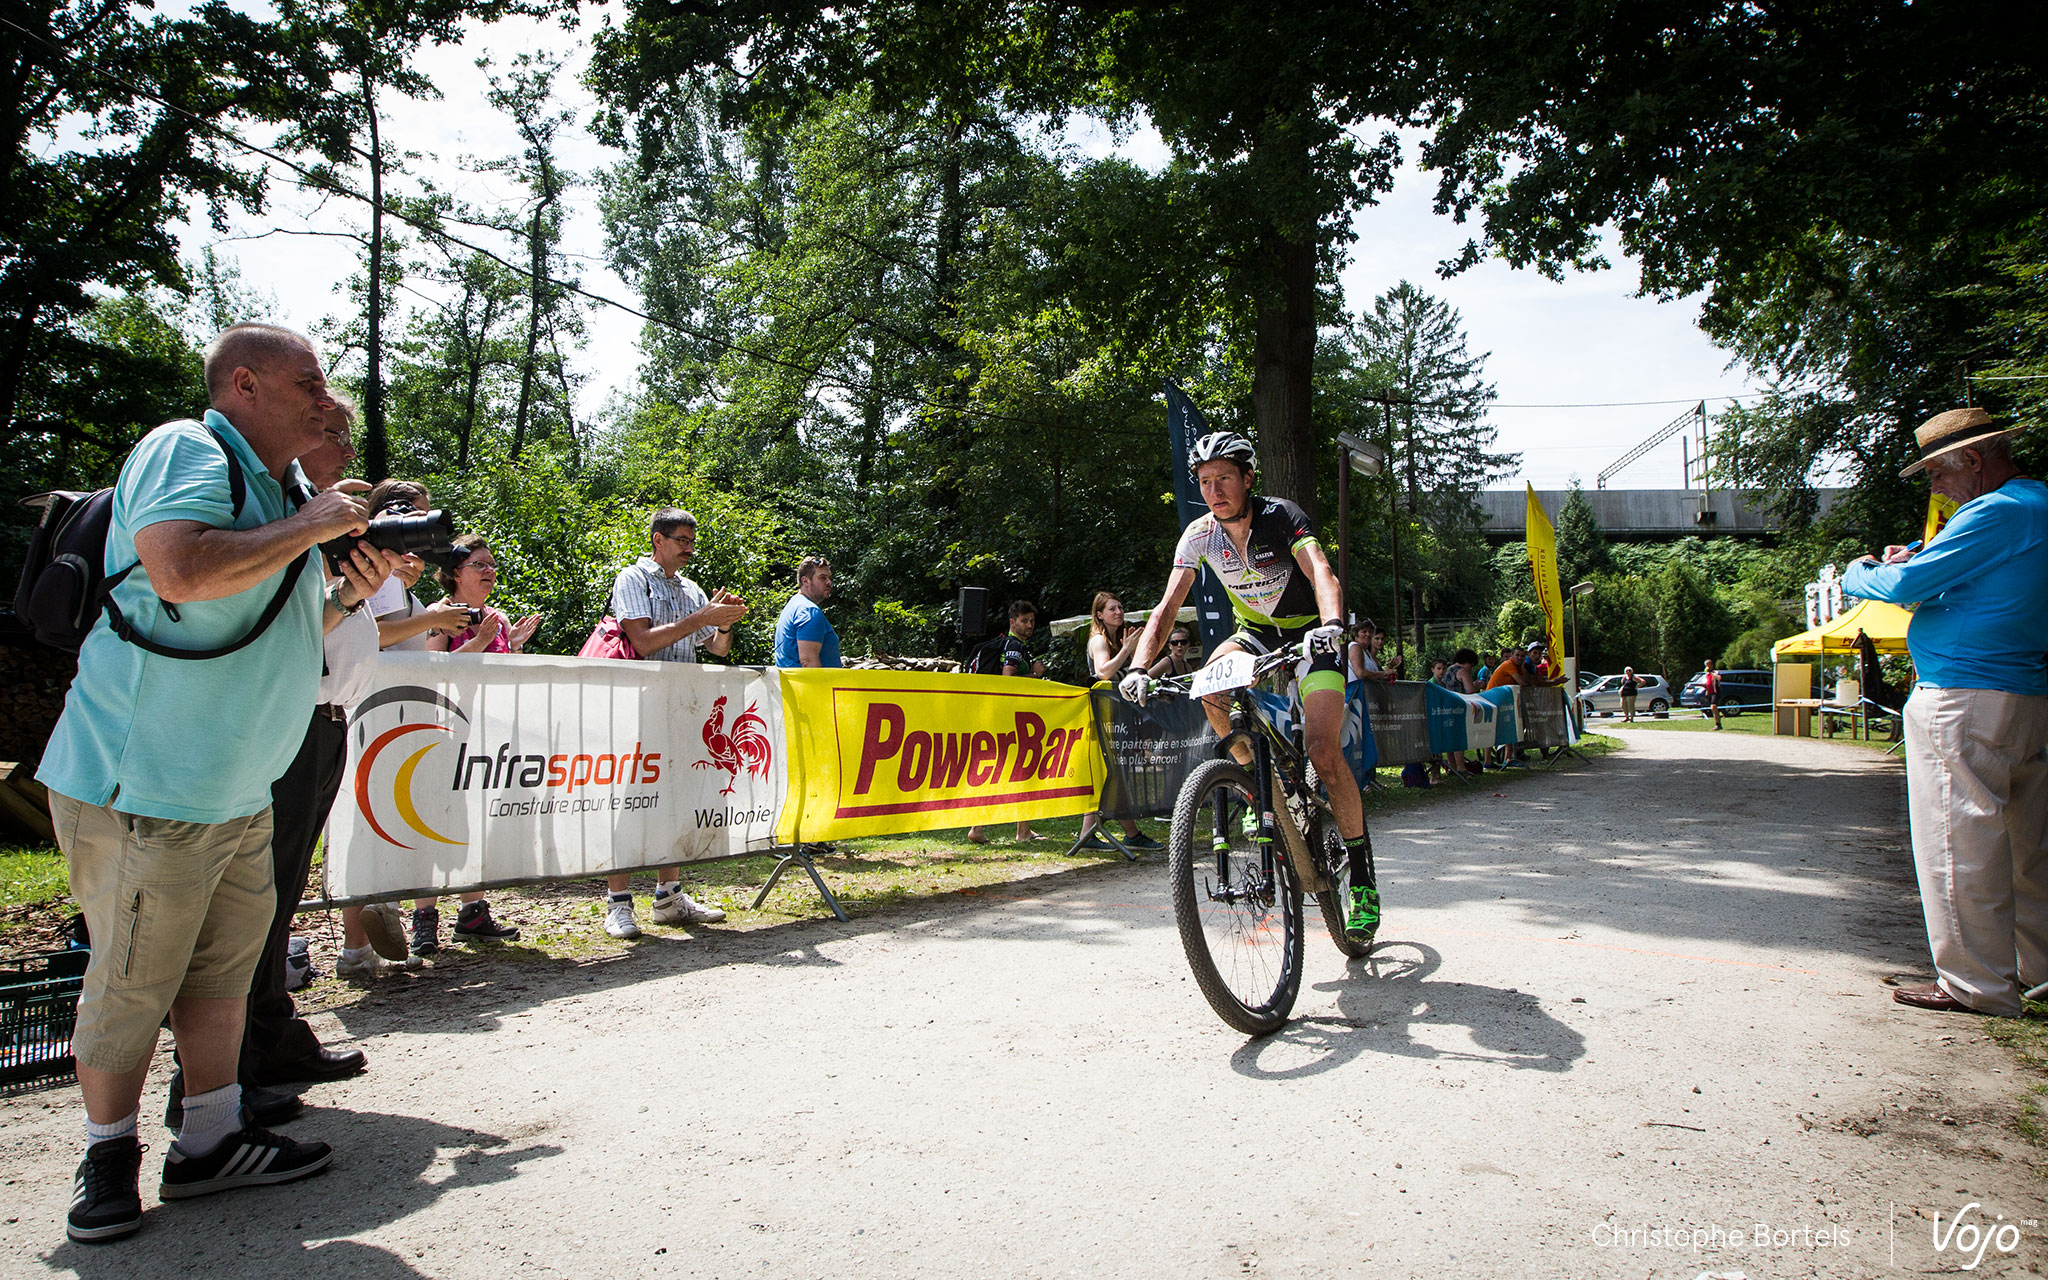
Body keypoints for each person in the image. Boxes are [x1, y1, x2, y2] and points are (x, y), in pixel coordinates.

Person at [37, 322, 396, 1242]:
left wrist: (350, 590)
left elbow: (283, 618)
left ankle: (209, 1141)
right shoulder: (185, 448)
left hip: (236, 789)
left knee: (222, 980)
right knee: (129, 983)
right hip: (149, 787)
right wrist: (316, 524)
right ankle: (108, 1155)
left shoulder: (278, 487)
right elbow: (181, 571)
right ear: (244, 383)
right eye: (308, 382)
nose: (326, 399)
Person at [1117, 430, 1381, 943]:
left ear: (1247, 480)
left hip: (1311, 633)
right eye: (1205, 481)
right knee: (1210, 690)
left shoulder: (1281, 516)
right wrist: (1139, 669)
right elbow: (1167, 607)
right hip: (1255, 634)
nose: (1214, 490)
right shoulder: (1198, 534)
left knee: (1325, 752)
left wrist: (1331, 626)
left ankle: (1362, 874)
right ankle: (1256, 783)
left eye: (1223, 479)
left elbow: (1322, 572)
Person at [1842, 407, 2048, 1018]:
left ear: (1973, 461)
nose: (1934, 488)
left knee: (1958, 841)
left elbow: (1902, 588)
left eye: (1936, 473)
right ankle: (2037, 970)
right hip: (2022, 690)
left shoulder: (1995, 512)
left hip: (1963, 693)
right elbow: (1968, 581)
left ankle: (1974, 984)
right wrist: (1924, 564)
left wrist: (1868, 570)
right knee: (2026, 843)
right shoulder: (2036, 506)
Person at [230, 393, 403, 1103]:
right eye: (328, 433)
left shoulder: (304, 516)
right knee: (256, 897)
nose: (342, 450)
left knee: (281, 887)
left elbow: (322, 618)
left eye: (346, 436)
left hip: (326, 717)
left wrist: (354, 592)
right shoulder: (274, 516)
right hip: (289, 718)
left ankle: (270, 1034)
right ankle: (233, 1062)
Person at [337, 477, 469, 976]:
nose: (422, 530)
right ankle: (357, 946)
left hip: (391, 712)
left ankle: (361, 943)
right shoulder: (376, 569)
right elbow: (370, 633)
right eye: (415, 515)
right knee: (367, 829)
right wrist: (429, 617)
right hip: (377, 712)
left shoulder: (393, 576)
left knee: (374, 829)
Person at [596, 508, 747, 938]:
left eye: (692, 541)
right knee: (627, 803)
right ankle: (618, 904)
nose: (688, 549)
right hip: (635, 709)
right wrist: (702, 619)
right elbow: (641, 642)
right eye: (681, 540)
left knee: (674, 802)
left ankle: (669, 896)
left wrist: (725, 620)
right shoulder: (632, 579)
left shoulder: (693, 589)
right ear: (658, 540)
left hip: (681, 710)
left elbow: (716, 649)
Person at [409, 534, 541, 952]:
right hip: (443, 735)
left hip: (488, 737)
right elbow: (433, 668)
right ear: (454, 574)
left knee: (471, 824)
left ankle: (473, 913)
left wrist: (511, 644)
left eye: (491, 565)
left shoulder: (496, 618)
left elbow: (501, 670)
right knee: (432, 823)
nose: (489, 571)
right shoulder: (441, 614)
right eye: (479, 565)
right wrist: (479, 642)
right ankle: (423, 919)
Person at [1075, 591, 1162, 853]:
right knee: (1114, 773)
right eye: (1112, 609)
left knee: (1112, 774)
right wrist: (1126, 650)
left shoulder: (1117, 640)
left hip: (1119, 717)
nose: (1118, 612)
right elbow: (1103, 672)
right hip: (1104, 717)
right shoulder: (1099, 640)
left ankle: (1089, 834)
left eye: (1120, 607)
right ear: (1099, 614)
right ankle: (1129, 834)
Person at [966, 600, 1049, 844]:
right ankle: (1021, 832)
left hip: (998, 716)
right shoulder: (1014, 645)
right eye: (1024, 621)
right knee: (1022, 769)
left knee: (997, 771)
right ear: (1012, 622)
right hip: (1011, 718)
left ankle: (978, 827)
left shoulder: (1014, 644)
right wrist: (1035, 675)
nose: (1029, 625)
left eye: (1032, 621)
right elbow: (1008, 679)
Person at [774, 556, 841, 669]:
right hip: (810, 685)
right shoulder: (809, 611)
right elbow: (808, 663)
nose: (829, 582)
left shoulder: (793, 605)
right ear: (805, 581)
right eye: (822, 578)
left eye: (829, 578)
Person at [1701, 657, 1723, 729]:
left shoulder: (1715, 672)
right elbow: (1708, 684)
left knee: (1713, 707)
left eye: (1708, 665)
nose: (1707, 666)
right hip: (1710, 692)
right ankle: (1717, 722)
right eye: (1706, 665)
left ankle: (1718, 724)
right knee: (1713, 708)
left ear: (1711, 665)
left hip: (1715, 692)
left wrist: (1712, 673)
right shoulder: (1707, 674)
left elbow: (1719, 678)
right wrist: (1706, 694)